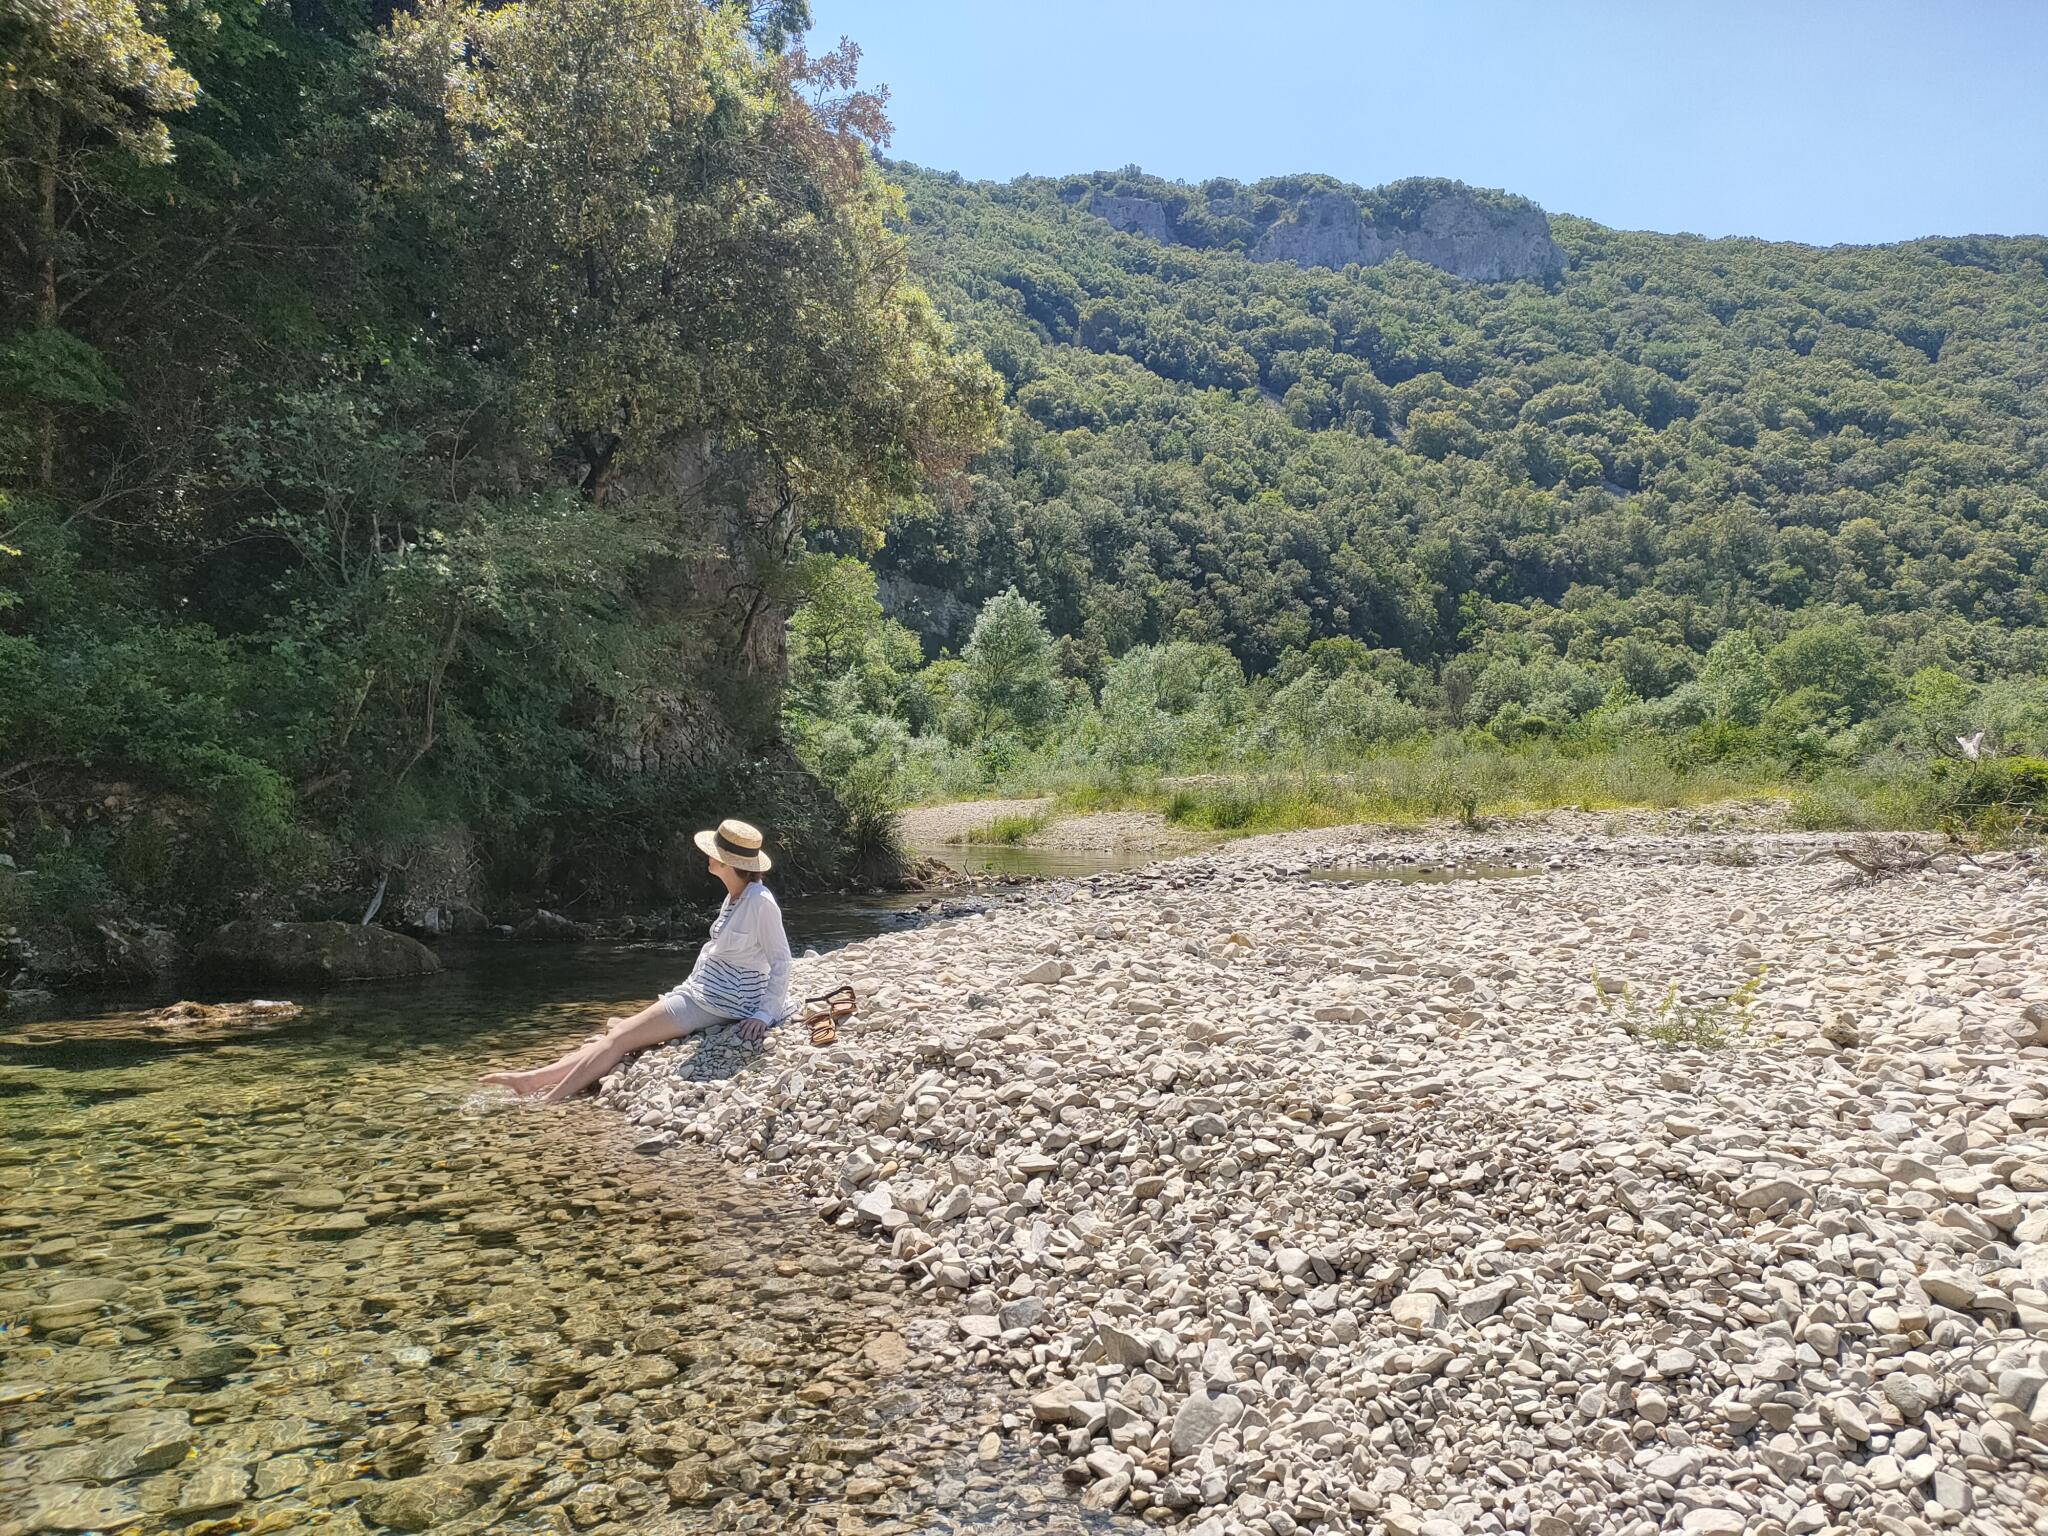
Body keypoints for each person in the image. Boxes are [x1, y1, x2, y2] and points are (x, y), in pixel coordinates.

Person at [481, 818, 791, 1101]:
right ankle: (532, 1080)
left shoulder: (760, 902)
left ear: (726, 862)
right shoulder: (736, 895)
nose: (707, 857)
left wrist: (763, 1014)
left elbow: (781, 960)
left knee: (619, 1038)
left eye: (713, 852)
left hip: (720, 1001)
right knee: (619, 1034)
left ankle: (548, 1101)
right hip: (703, 991)